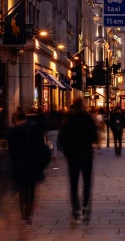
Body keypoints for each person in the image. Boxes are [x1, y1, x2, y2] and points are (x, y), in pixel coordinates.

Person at [7, 107, 50, 227]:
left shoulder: (12, 132)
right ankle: (29, 216)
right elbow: (41, 146)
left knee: (22, 190)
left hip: (19, 165)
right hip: (32, 164)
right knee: (30, 190)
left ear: (15, 119)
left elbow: (11, 152)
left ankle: (23, 215)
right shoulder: (34, 128)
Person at [59, 97, 98, 225]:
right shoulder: (87, 118)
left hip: (72, 154)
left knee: (73, 182)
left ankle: (76, 209)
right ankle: (85, 206)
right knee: (87, 181)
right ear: (82, 105)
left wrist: (66, 151)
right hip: (86, 153)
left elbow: (62, 138)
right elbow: (93, 135)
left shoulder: (66, 119)